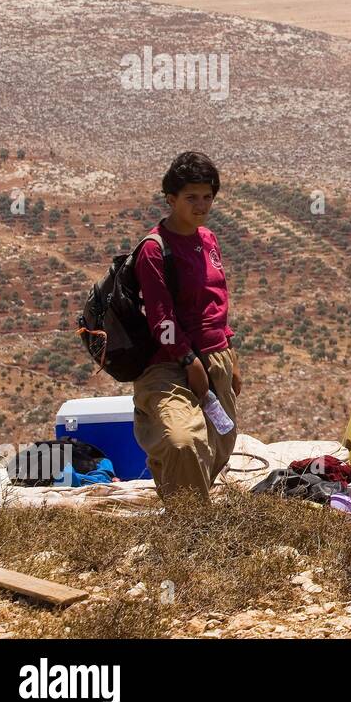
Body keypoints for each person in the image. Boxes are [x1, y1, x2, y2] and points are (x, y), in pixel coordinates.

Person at [132, 151, 240, 503]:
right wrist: (188, 361)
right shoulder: (154, 249)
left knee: (219, 443)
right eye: (191, 197)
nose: (201, 205)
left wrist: (230, 352)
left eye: (207, 196)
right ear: (171, 199)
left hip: (216, 358)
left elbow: (217, 300)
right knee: (183, 441)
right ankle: (191, 532)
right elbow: (160, 319)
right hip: (170, 364)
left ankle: (188, 513)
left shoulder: (207, 239)